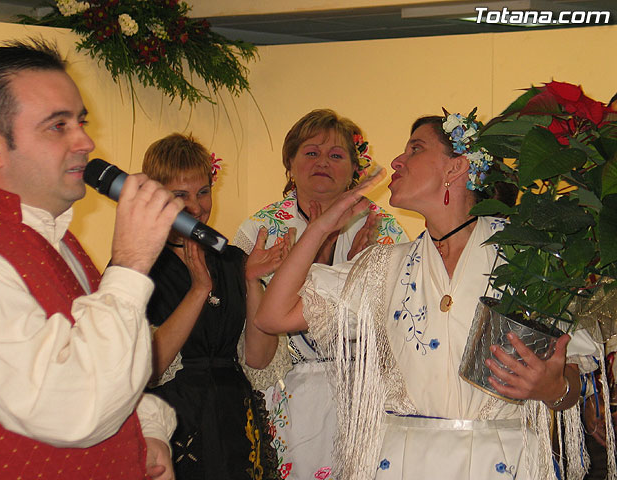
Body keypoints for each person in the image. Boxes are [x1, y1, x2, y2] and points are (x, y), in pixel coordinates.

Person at [255, 112, 601, 479]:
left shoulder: (528, 257)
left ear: (457, 166)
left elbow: (571, 376)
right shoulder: (383, 266)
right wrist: (323, 226)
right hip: (403, 463)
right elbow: (272, 316)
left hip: (501, 463)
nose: (397, 161)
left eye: (415, 149)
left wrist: (553, 388)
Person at [0, 39, 182, 479]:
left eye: (81, 122)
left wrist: (148, 432)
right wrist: (129, 264)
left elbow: (103, 368)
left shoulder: (53, 235)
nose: (86, 142)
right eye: (58, 126)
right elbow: (69, 408)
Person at [233, 109, 406, 478]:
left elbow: (398, 320)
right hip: (285, 388)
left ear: (354, 168)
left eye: (336, 155)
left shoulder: (384, 227)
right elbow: (251, 327)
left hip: (363, 392)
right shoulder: (259, 229)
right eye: (311, 152)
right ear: (290, 164)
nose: (323, 162)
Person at [143, 133, 285, 479]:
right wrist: (199, 290)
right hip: (173, 420)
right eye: (180, 194)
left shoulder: (232, 259)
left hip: (234, 419)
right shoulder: (140, 263)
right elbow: (148, 368)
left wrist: (251, 280)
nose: (196, 207)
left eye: (203, 192)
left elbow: (258, 359)